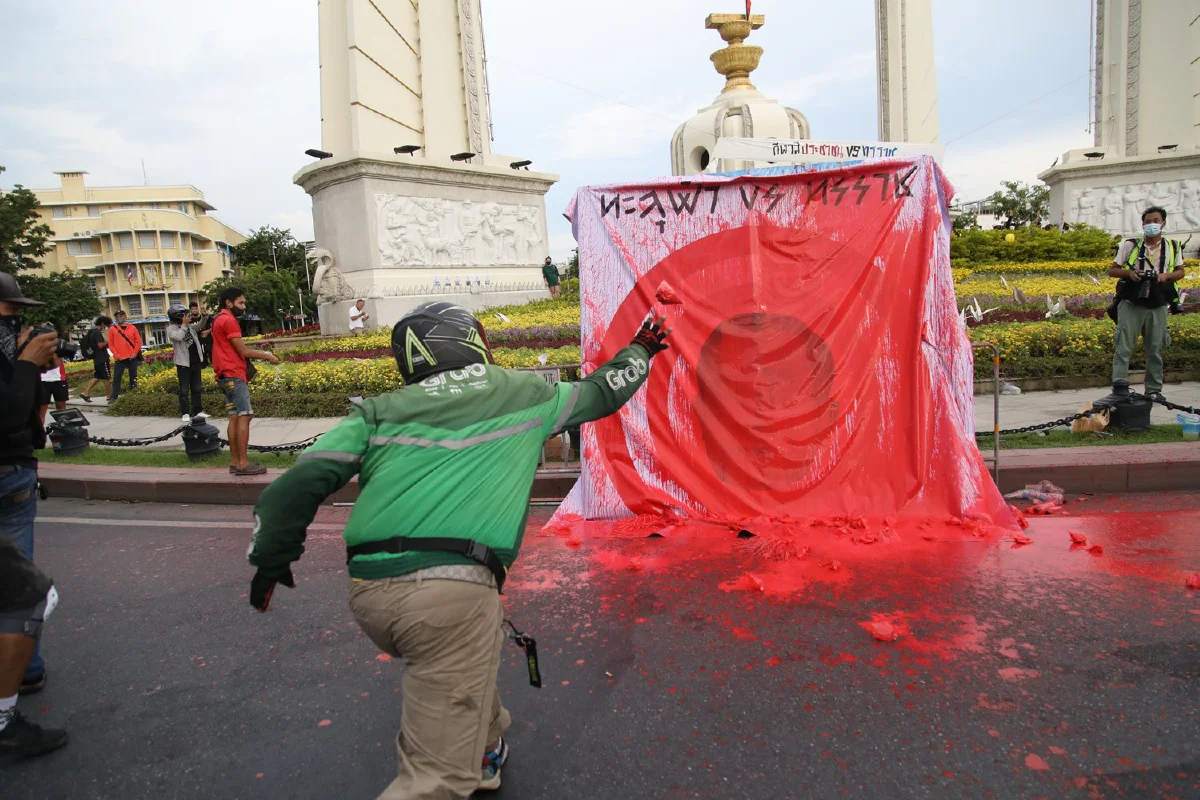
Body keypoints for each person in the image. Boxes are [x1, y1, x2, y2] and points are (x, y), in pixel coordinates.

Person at [246, 301, 670, 798]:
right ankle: (466, 763)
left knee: (460, 655)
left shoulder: (380, 410)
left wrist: (271, 560)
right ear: (472, 340)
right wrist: (642, 350)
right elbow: (602, 392)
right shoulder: (523, 391)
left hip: (370, 592)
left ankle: (486, 749)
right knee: (435, 780)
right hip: (451, 593)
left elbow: (296, 485)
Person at [0, 272, 69, 759]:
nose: (17, 323)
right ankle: (10, 702)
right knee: (24, 594)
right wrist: (26, 362)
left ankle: (26, 670)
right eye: (10, 313)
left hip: (15, 471)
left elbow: (25, 411)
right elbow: (7, 415)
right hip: (7, 474)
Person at [1109, 206, 1186, 402]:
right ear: (1142, 224)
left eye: (1156, 221)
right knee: (1123, 348)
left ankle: (1153, 390)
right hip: (1131, 301)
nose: (1152, 224)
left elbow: (1180, 271)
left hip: (1158, 302)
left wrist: (1165, 276)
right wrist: (1130, 273)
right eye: (1148, 221)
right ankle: (1119, 390)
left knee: (1155, 349)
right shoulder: (1130, 245)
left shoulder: (1173, 246)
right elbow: (1113, 270)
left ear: (1163, 223)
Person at [210, 287, 280, 476]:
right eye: (240, 303)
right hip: (234, 374)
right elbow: (243, 352)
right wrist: (267, 356)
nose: (243, 306)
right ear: (229, 303)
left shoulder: (218, 319)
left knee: (234, 416)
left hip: (224, 375)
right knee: (245, 415)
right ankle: (242, 464)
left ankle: (235, 462)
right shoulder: (229, 321)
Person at [166, 303, 207, 421]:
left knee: (197, 388)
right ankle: (185, 413)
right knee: (184, 390)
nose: (187, 316)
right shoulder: (171, 329)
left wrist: (204, 316)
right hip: (183, 364)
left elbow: (200, 325)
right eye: (184, 314)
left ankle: (198, 411)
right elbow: (179, 337)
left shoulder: (189, 327)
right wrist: (184, 325)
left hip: (195, 361)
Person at [106, 309, 142, 401]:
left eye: (121, 316)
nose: (119, 318)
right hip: (120, 358)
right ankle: (114, 396)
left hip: (131, 357)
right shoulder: (112, 329)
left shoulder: (132, 328)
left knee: (133, 376)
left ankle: (133, 395)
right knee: (117, 377)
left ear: (125, 316)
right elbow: (111, 344)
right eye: (117, 316)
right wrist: (116, 355)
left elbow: (138, 342)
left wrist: (134, 353)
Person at [78, 316, 111, 403]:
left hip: (96, 358)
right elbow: (100, 345)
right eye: (105, 325)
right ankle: (109, 396)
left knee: (97, 377)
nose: (105, 327)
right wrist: (108, 341)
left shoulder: (91, 331)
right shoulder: (97, 332)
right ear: (102, 323)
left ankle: (85, 392)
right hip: (102, 358)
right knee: (107, 377)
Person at [38, 356, 68, 426]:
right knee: (42, 410)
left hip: (59, 378)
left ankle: (62, 429)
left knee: (61, 409)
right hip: (42, 379)